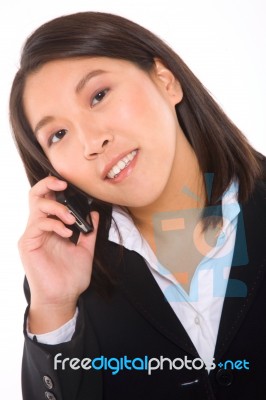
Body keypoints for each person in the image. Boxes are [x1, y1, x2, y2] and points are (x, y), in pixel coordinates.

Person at [9, 11, 266, 400]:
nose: (92, 142)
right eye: (58, 134)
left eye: (99, 95)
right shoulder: (66, 279)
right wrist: (54, 309)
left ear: (165, 80)